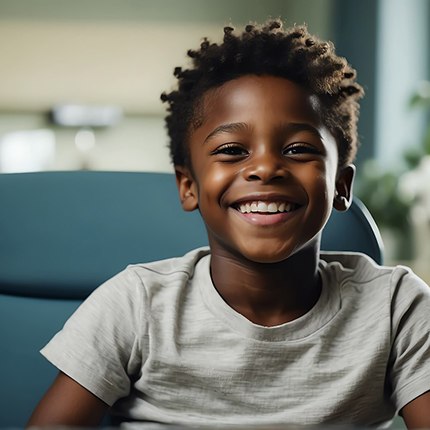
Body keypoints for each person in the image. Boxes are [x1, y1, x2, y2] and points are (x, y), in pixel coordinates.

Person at [28, 20, 430, 429]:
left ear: (341, 186)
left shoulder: (396, 306)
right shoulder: (136, 305)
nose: (265, 167)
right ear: (188, 186)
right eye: (232, 150)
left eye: (298, 149)